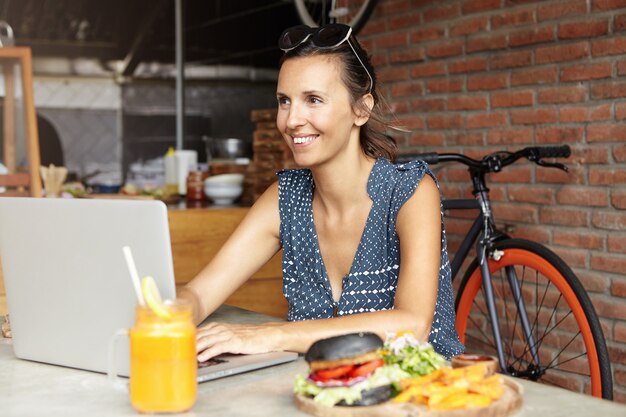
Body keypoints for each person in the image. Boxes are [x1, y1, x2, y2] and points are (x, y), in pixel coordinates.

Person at [179, 23, 464, 361]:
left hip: (422, 398)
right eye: (284, 101)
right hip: (321, 396)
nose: (292, 120)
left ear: (362, 108)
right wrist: (167, 316)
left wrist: (268, 335)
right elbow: (199, 293)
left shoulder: (410, 193)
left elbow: (411, 325)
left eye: (313, 100)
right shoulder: (285, 199)